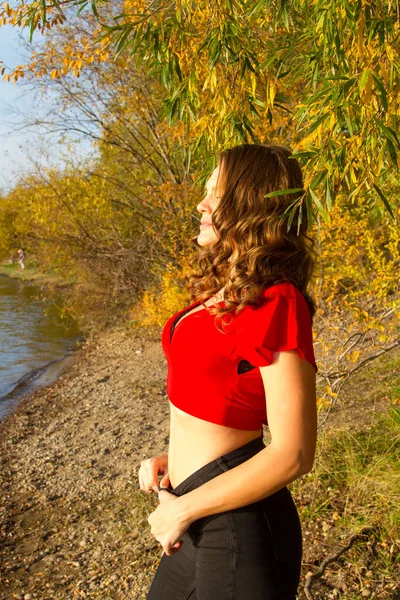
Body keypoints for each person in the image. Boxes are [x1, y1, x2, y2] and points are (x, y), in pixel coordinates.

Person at [139, 143, 318, 600]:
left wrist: (185, 509)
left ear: (249, 203)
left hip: (237, 524)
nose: (201, 204)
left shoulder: (279, 301)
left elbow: (295, 453)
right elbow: (213, 397)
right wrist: (173, 456)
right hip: (194, 505)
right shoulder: (225, 292)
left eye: (214, 193)